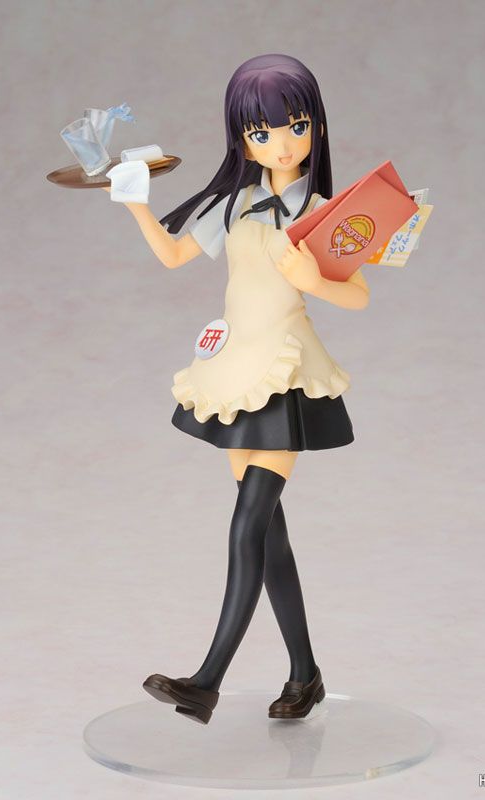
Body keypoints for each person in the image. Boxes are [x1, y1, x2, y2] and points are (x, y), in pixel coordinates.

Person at [104, 54, 370, 724]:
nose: (281, 144)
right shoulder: (236, 204)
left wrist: (313, 281)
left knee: (248, 522)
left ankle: (207, 680)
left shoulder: (323, 213)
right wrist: (135, 204)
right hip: (236, 373)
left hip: (286, 373)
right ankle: (305, 675)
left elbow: (359, 294)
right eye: (261, 132)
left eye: (295, 126)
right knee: (269, 537)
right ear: (242, 140)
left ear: (316, 128)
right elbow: (173, 255)